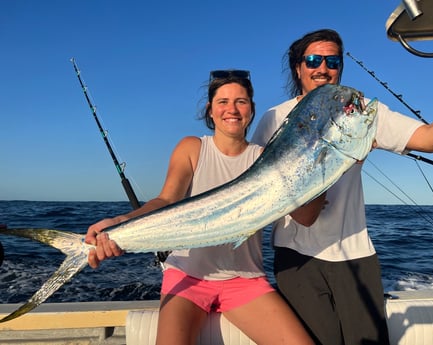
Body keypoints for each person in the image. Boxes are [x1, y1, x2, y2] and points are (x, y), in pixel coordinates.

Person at [251, 29, 433, 345]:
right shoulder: (273, 118)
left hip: (354, 253)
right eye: (313, 60)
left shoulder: (358, 109)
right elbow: (256, 184)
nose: (323, 68)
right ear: (298, 67)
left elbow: (428, 139)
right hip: (296, 258)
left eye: (332, 61)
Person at [85, 70, 315, 345]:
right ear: (210, 110)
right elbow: (166, 200)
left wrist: (321, 170)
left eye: (241, 102)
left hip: (245, 280)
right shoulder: (192, 148)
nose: (232, 109)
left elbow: (306, 217)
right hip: (187, 277)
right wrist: (120, 221)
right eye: (223, 101)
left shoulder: (267, 159)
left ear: (252, 110)